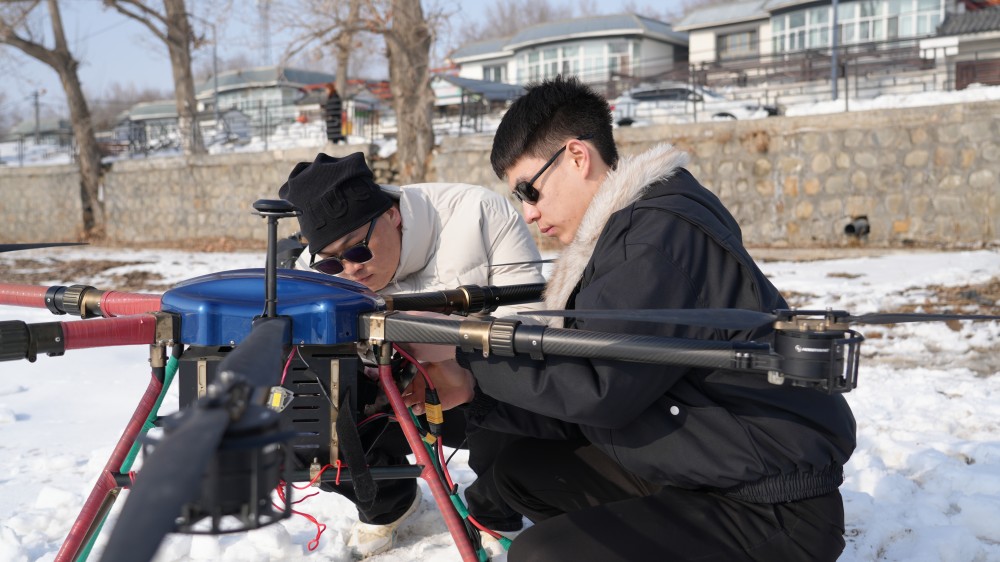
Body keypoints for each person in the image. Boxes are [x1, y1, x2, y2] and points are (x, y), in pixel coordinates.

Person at [405, 75, 857, 561]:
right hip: (700, 469)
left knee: (542, 555)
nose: (529, 214)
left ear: (577, 157)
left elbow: (598, 387)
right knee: (520, 472)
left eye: (529, 191)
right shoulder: (625, 234)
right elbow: (587, 393)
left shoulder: (652, 239)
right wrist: (471, 390)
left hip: (770, 505)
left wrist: (461, 350)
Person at [277, 151, 544, 558]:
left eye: (358, 251)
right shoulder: (321, 268)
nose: (351, 270)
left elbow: (533, 332)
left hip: (485, 387)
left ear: (393, 215)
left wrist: (461, 364)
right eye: (332, 264)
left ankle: (494, 509)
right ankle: (387, 502)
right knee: (308, 411)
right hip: (395, 393)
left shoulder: (478, 214)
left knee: (516, 386)